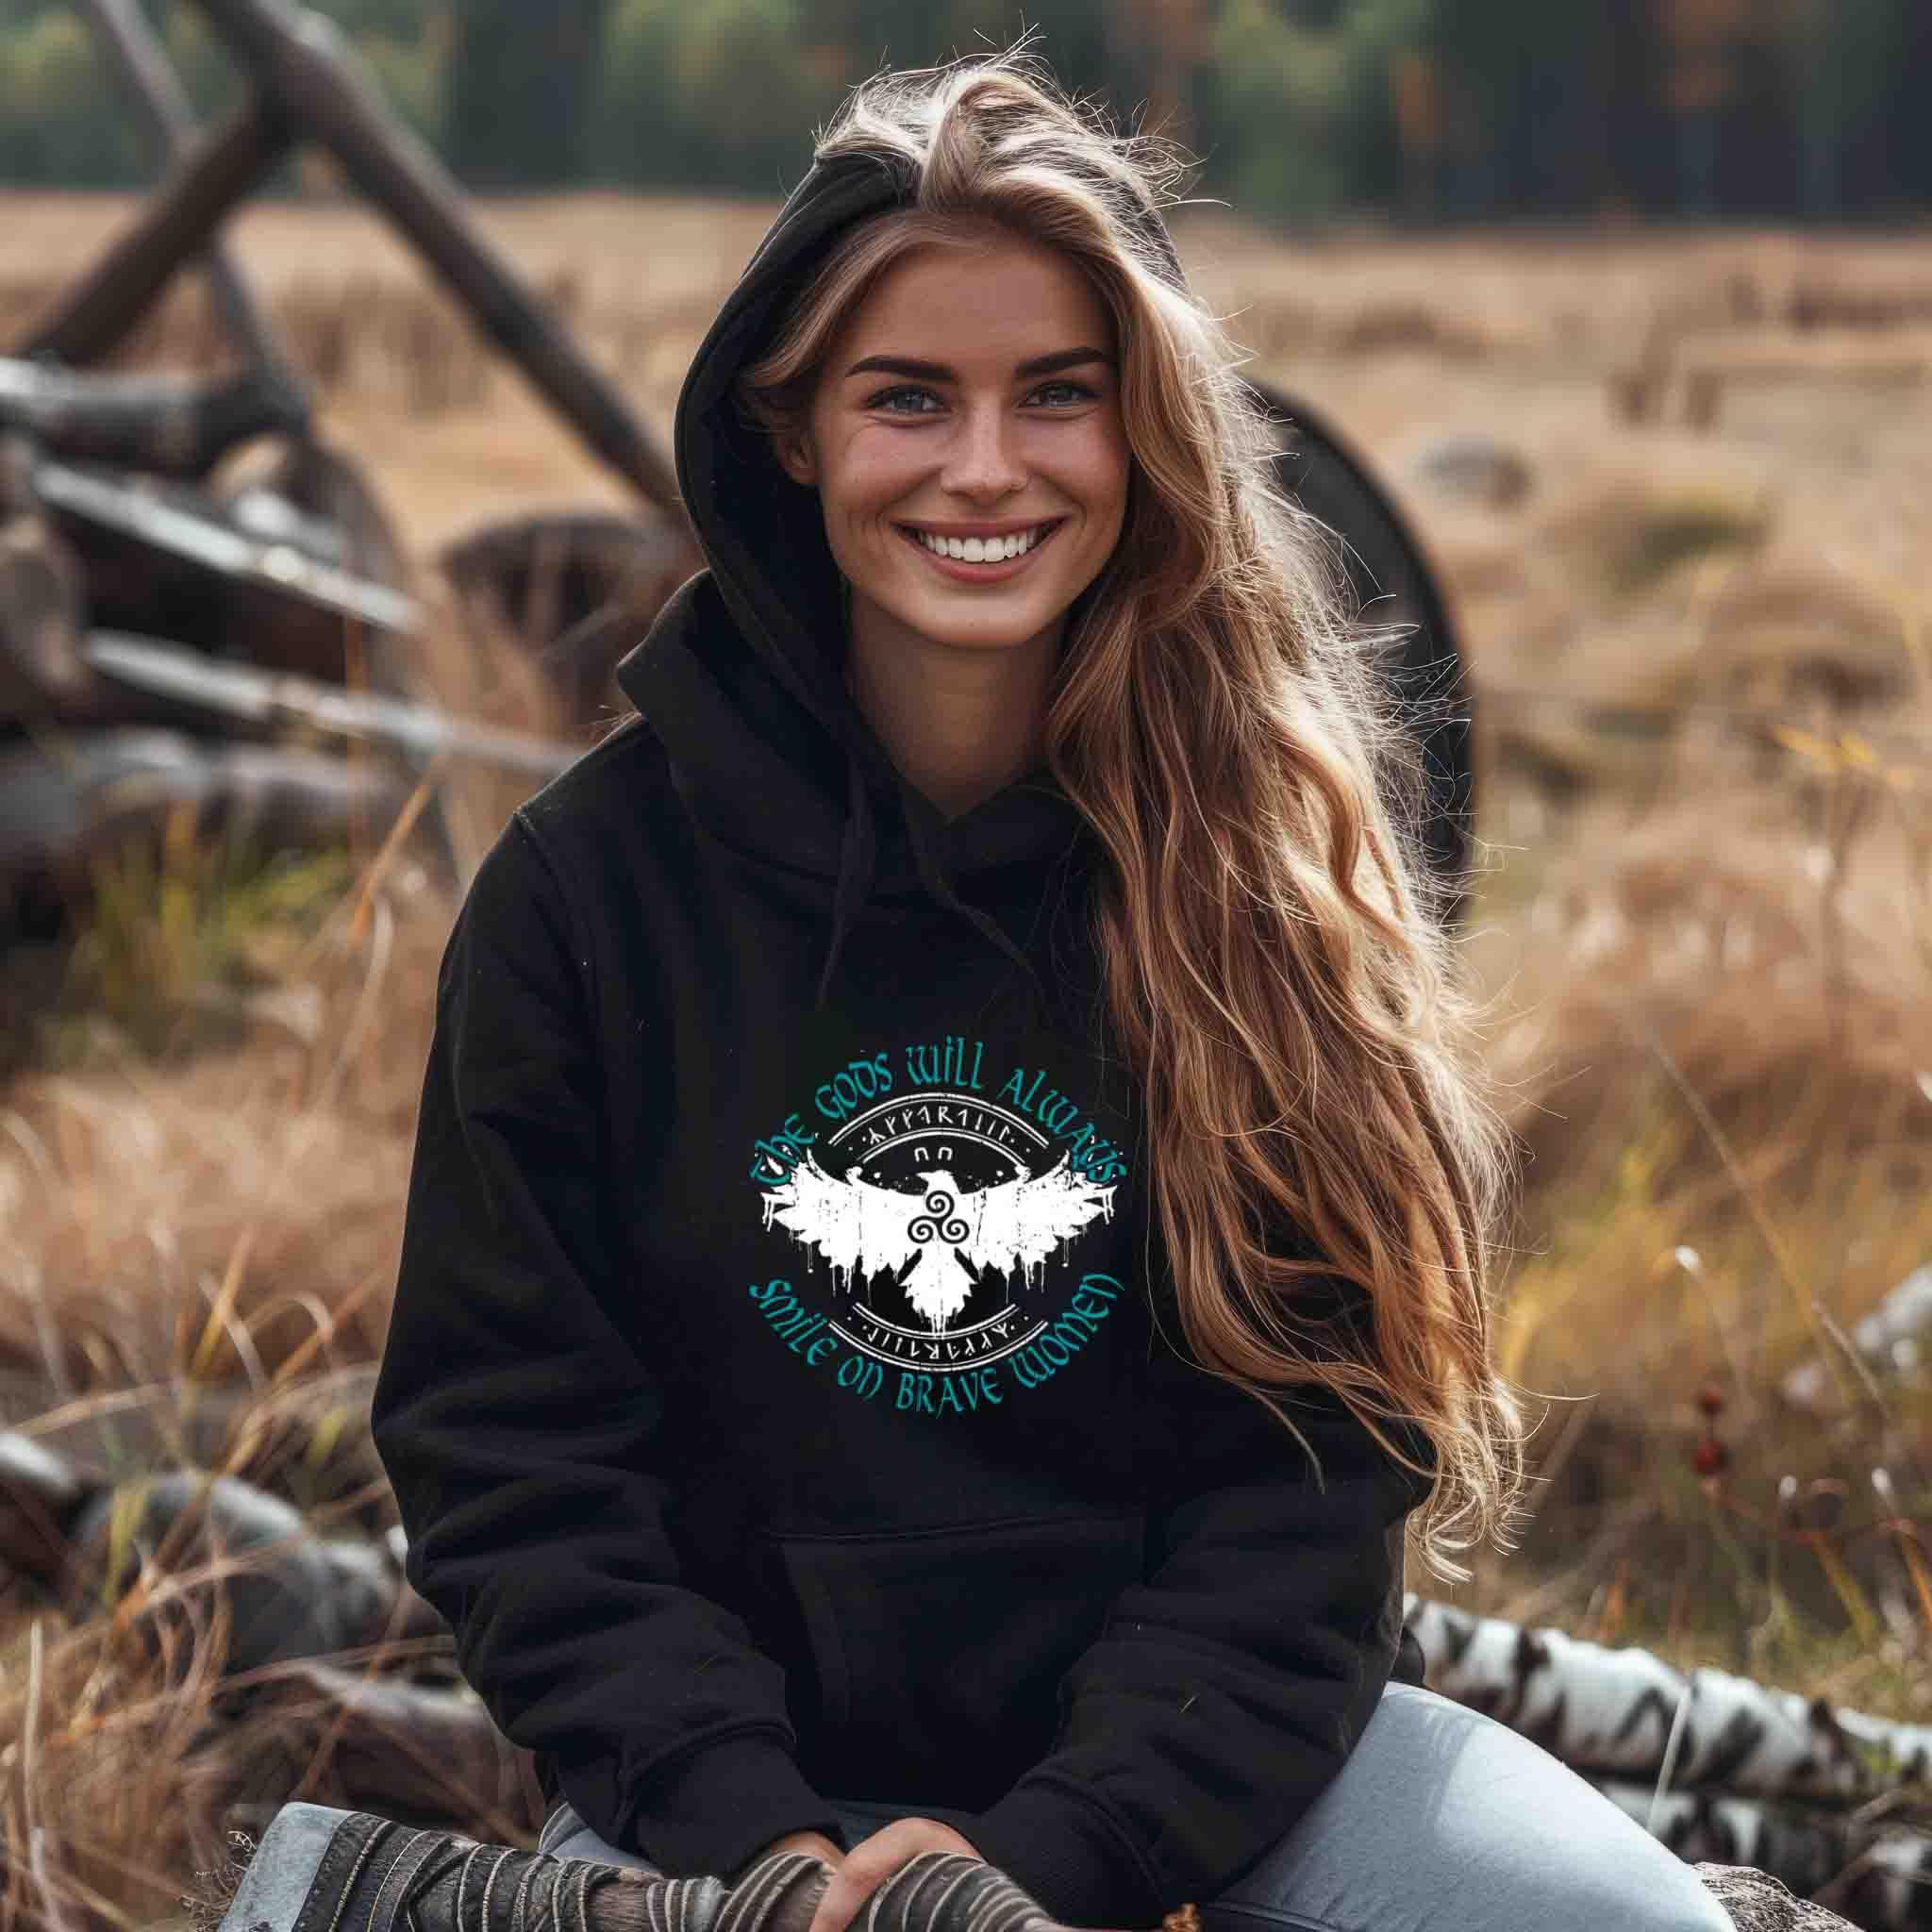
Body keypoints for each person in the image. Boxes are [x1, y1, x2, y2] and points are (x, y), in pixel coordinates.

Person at [369, 51, 1732, 1932]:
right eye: (907, 398)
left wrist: (1058, 1855)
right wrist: (753, 1841)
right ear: (788, 430)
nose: (985, 467)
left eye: (1055, 398)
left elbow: (1316, 1472)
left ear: (1139, 430)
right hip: (724, 1819)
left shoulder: (1258, 877)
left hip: (1212, 1781)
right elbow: (509, 1451)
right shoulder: (585, 898)